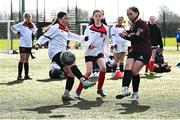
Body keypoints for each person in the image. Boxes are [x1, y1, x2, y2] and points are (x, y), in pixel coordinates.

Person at [35, 11, 96, 101]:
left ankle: (66, 94)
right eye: (65, 18)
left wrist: (83, 38)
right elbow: (44, 36)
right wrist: (38, 43)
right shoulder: (55, 27)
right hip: (55, 52)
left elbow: (71, 36)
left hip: (62, 52)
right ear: (59, 19)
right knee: (71, 61)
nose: (67, 20)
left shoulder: (64, 28)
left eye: (68, 18)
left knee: (71, 74)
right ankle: (83, 81)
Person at [116, 6, 152, 100]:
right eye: (128, 14)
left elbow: (137, 37)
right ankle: (125, 89)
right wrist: (126, 31)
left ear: (137, 13)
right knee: (127, 67)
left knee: (134, 71)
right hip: (134, 51)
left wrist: (125, 36)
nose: (129, 16)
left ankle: (135, 93)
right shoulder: (133, 24)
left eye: (131, 14)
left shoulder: (142, 23)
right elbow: (132, 32)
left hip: (144, 52)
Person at [75, 10, 109, 98]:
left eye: (99, 16)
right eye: (96, 16)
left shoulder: (106, 28)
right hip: (89, 53)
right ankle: (78, 91)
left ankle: (100, 89)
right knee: (88, 72)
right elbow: (85, 40)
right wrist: (89, 45)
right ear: (93, 17)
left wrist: (107, 55)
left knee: (103, 68)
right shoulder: (88, 28)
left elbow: (106, 43)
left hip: (99, 52)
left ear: (102, 17)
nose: (98, 17)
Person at [11, 12, 37, 80]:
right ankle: (19, 76)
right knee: (22, 59)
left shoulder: (32, 25)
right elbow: (12, 27)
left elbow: (34, 31)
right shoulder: (21, 24)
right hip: (22, 44)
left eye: (29, 17)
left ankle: (26, 75)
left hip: (29, 44)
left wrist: (32, 35)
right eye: (27, 17)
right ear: (25, 18)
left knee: (27, 60)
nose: (28, 18)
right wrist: (18, 32)